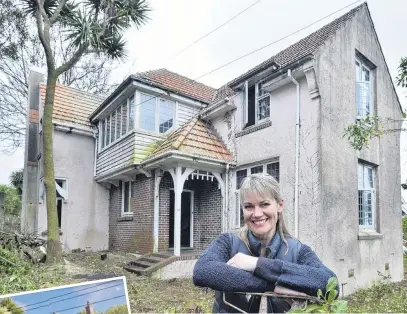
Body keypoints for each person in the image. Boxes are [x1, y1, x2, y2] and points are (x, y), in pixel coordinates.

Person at [193, 173, 338, 313]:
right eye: (249, 206)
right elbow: (202, 271)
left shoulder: (298, 251)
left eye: (264, 204)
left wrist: (256, 264)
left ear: (279, 205)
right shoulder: (228, 242)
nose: (256, 214)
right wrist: (272, 286)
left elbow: (330, 283)